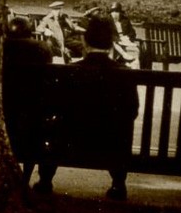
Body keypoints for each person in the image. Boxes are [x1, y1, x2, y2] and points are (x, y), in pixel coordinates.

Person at [38, 15, 140, 201]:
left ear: (85, 41)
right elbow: (131, 111)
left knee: (55, 129)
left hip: (70, 142)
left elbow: (53, 106)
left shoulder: (70, 71)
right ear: (111, 44)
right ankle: (118, 183)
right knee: (120, 131)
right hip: (111, 143)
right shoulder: (124, 74)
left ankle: (45, 180)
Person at [2, 14, 55, 189]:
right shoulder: (42, 48)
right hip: (34, 112)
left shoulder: (1, 47)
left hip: (7, 108)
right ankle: (29, 177)